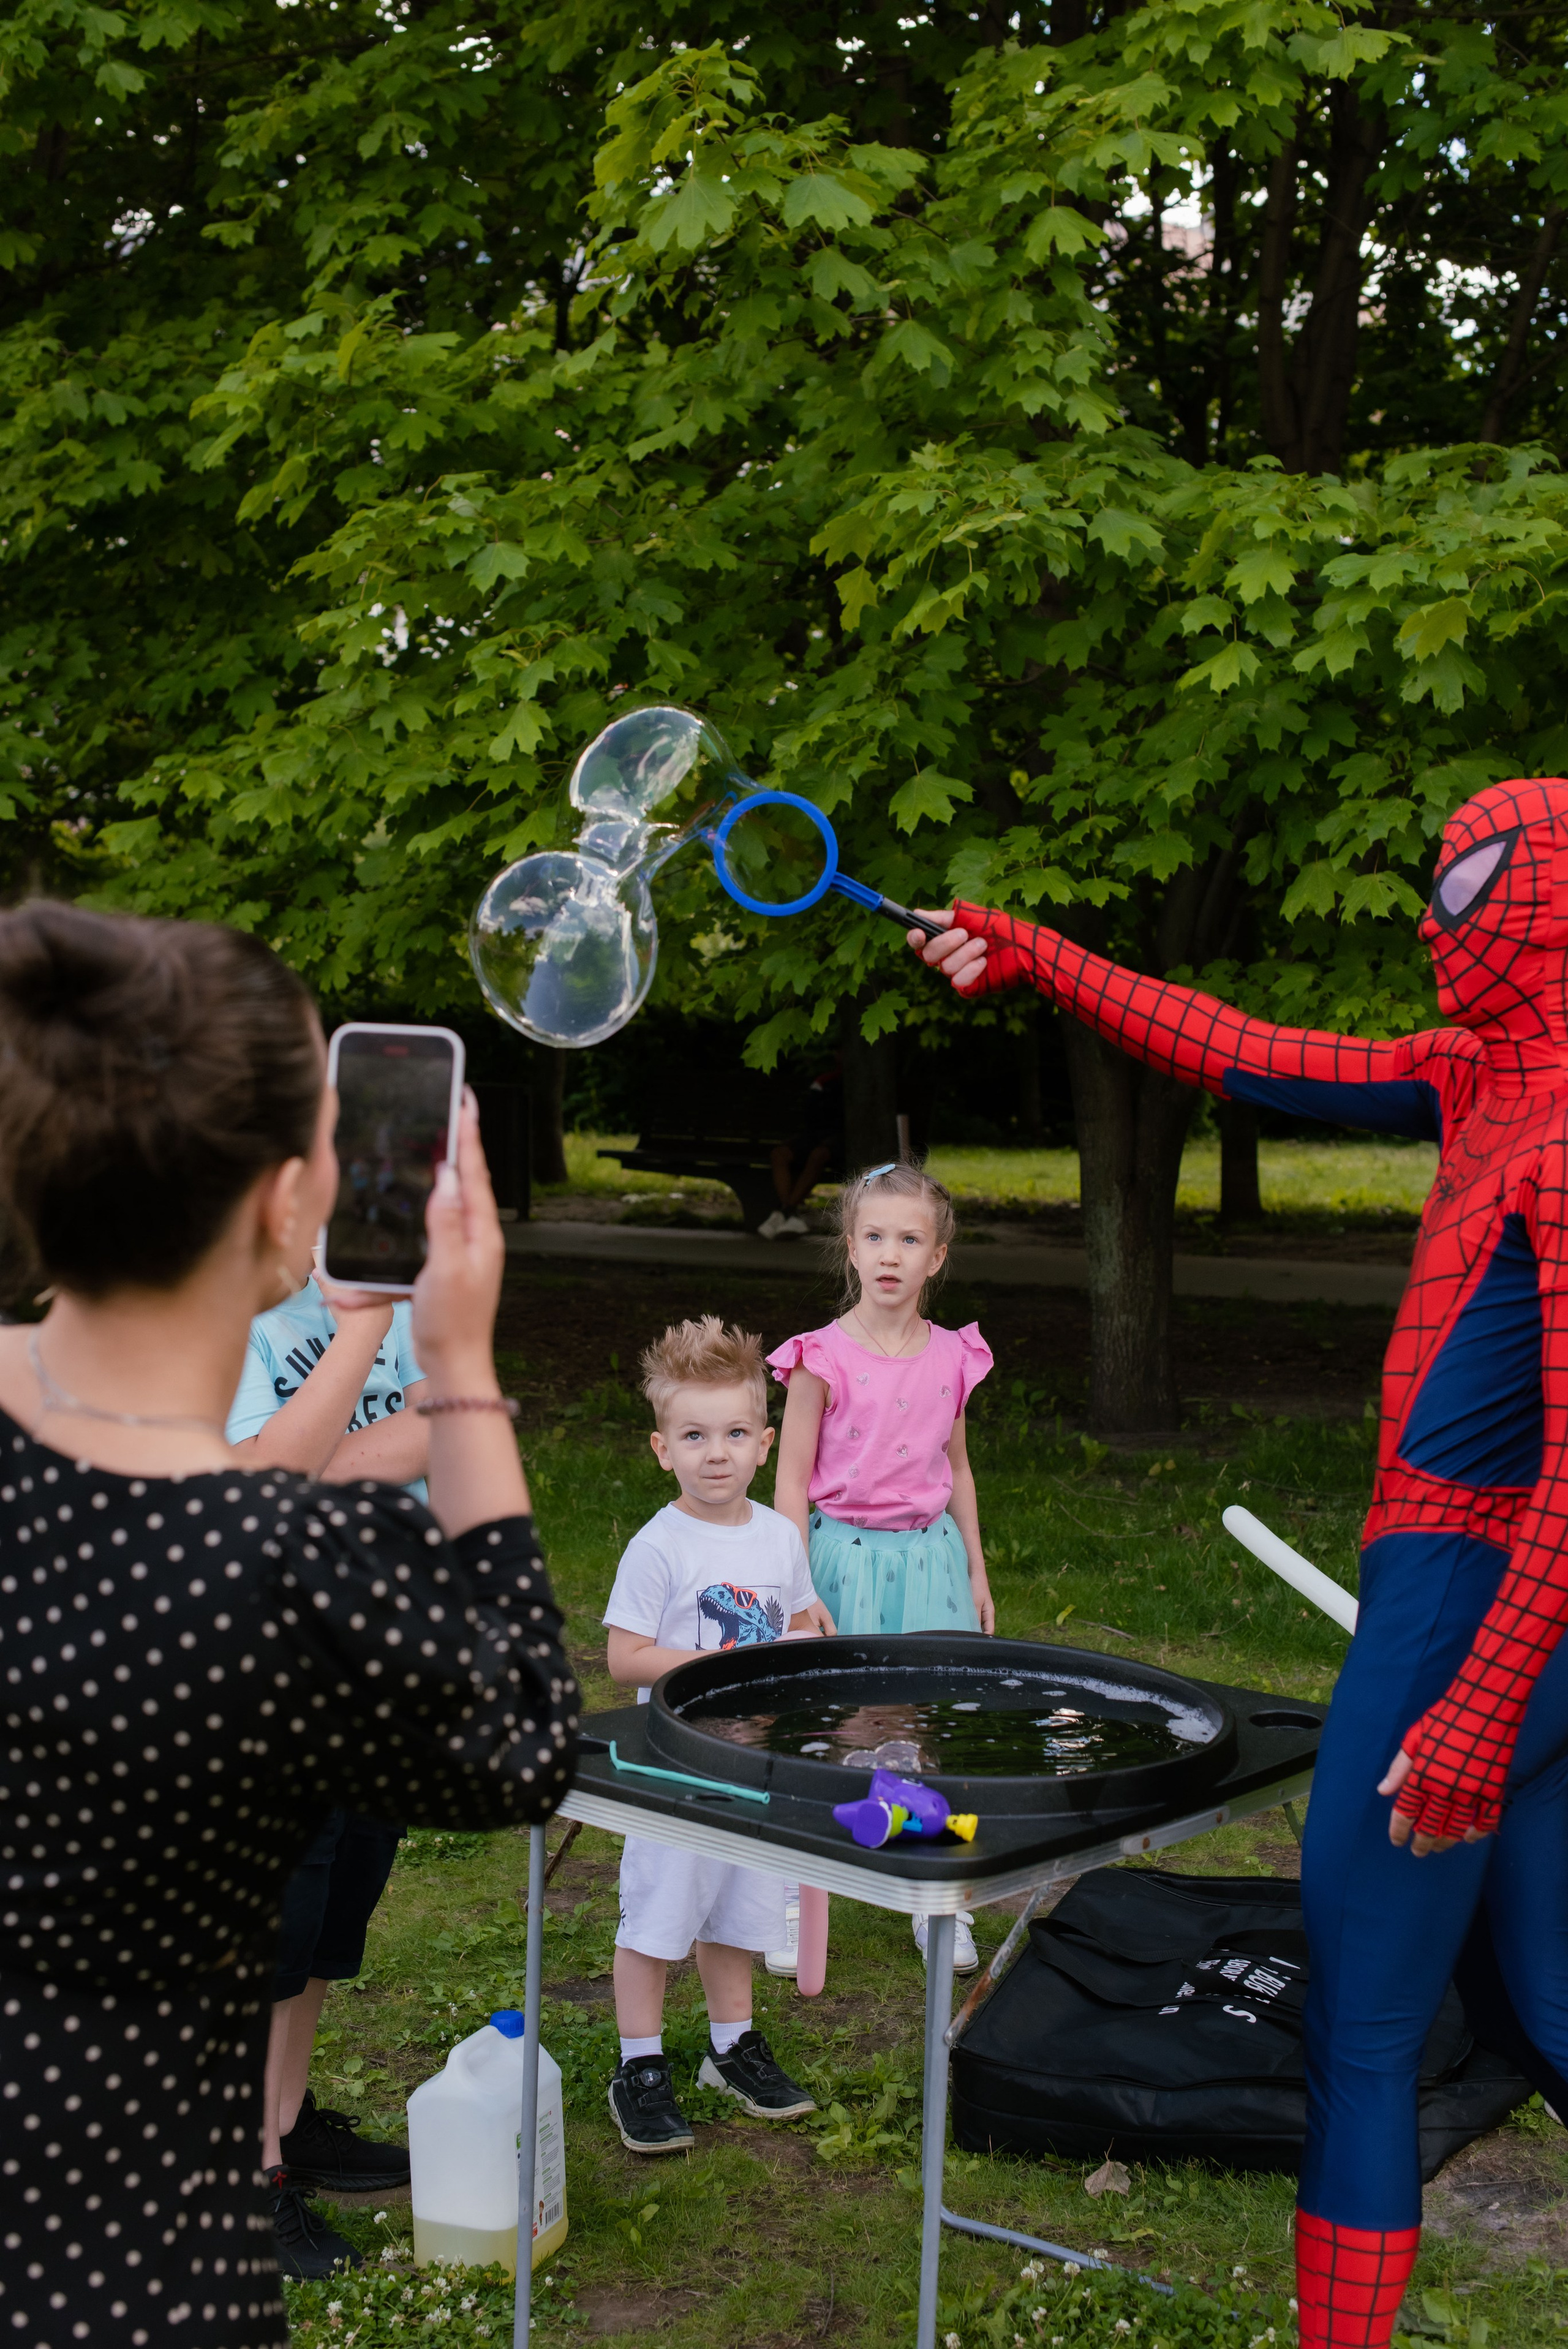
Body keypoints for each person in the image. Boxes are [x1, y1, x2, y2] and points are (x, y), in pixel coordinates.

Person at [908, 773, 1568, 2349]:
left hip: (1466, 1618)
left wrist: (1470, 1710)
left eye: (1471, 891)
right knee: (1543, 2005)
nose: (1432, 917)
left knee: (1359, 2030)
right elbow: (1245, 1048)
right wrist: (1037, 954)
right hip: (1502, 1634)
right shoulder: (1481, 1076)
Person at [0, 900, 578, 2349]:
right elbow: (527, 1743)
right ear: (282, 1204)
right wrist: (454, 1359)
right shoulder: (295, 1568)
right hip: (129, 2269)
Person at [225, 1268, 432, 2274]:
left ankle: (287, 2121)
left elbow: (442, 1426)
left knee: (332, 1909)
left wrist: (311, 1458)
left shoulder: (395, 1304)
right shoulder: (232, 1313)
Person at [601, 1317, 830, 2153]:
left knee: (737, 1907)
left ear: (765, 1442)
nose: (717, 1452)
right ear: (662, 1447)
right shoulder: (658, 1546)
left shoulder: (779, 1535)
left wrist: (809, 1635)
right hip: (674, 1769)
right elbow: (625, 1655)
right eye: (694, 1435)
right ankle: (641, 2062)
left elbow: (799, 1615)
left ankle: (731, 2046)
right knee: (659, 1914)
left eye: (735, 1433)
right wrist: (712, 1662)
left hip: (752, 1766)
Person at [767, 1161, 993, 1974]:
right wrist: (797, 1588)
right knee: (833, 1725)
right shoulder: (819, 1357)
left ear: (936, 1256)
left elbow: (958, 1468)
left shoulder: (954, 1354)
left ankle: (933, 1894)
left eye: (909, 1238)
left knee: (920, 1727)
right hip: (841, 1559)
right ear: (851, 1248)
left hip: (930, 1561)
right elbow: (789, 1481)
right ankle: (798, 1895)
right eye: (874, 1236)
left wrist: (976, 1568)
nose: (890, 1253)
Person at [760, 1060, 843, 1240]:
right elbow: (810, 1114)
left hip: (841, 1138)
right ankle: (788, 1213)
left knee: (817, 1156)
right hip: (816, 1134)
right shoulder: (824, 1081)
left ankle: (784, 1213)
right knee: (779, 1154)